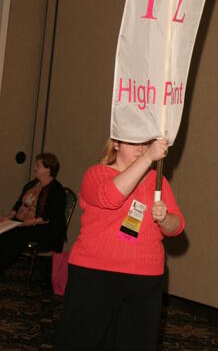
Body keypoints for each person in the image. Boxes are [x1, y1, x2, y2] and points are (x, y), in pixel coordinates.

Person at [54, 138, 184, 351]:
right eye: (135, 143)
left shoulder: (157, 181)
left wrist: (165, 218)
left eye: (146, 144)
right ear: (116, 144)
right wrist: (148, 158)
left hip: (145, 278)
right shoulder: (96, 174)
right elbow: (110, 197)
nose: (142, 148)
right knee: (81, 342)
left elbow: (176, 226)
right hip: (94, 275)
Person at [0, 152, 66, 274]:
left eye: (38, 166)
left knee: (12, 236)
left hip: (43, 228)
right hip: (21, 223)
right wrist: (7, 218)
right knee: (4, 230)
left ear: (48, 169)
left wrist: (28, 223)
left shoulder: (57, 191)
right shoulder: (32, 184)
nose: (35, 168)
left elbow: (50, 217)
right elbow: (18, 203)